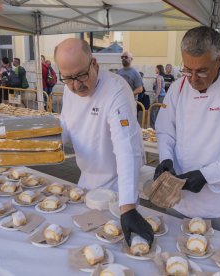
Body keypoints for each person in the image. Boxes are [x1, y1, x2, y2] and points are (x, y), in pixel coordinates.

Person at [154, 26, 220, 232]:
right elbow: (165, 130)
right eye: (187, 69)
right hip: (178, 195)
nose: (193, 79)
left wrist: (207, 175)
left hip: (218, 200)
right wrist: (165, 159)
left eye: (202, 70)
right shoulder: (178, 87)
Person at [54, 38, 153, 246]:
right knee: (83, 242)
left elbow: (126, 148)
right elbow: (65, 120)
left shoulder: (116, 89)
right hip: (87, 181)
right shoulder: (69, 88)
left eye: (81, 75)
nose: (76, 85)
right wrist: (52, 144)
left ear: (94, 63)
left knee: (115, 245)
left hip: (118, 187)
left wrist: (127, 207)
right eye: (68, 78)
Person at [149, 64, 166, 128]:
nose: (155, 69)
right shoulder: (161, 77)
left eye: (156, 68)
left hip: (160, 96)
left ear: (158, 69)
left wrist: (156, 97)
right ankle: (158, 126)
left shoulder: (158, 77)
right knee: (158, 111)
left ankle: (153, 127)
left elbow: (159, 88)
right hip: (162, 96)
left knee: (152, 109)